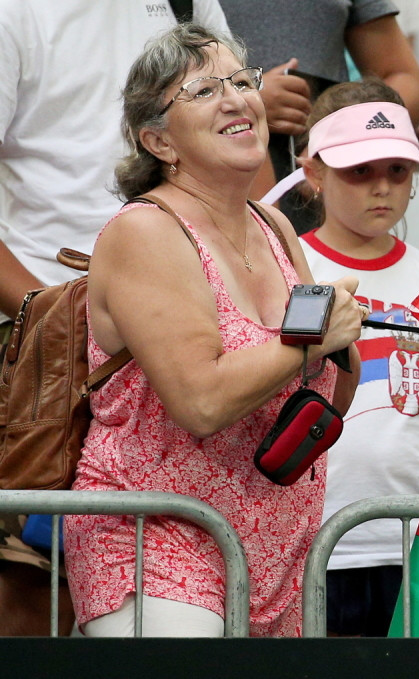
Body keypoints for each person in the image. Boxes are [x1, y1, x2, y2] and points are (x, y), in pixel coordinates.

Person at [62, 24, 366, 638]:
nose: (236, 99)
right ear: (158, 141)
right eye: (203, 91)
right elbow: (201, 401)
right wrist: (312, 340)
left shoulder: (276, 226)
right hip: (157, 535)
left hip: (280, 542)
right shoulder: (144, 230)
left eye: (240, 81)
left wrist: (341, 345)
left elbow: (323, 386)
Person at [0, 0, 230, 637]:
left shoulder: (192, 1)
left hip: (183, 320)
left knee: (191, 561)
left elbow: (235, 133)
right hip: (45, 334)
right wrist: (49, 317)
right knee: (29, 583)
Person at [297, 78, 419, 636]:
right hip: (313, 541)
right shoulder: (289, 269)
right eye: (360, 170)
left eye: (397, 171)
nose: (381, 187)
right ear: (314, 173)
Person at [217, 0, 419, 210]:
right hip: (215, 178)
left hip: (330, 191)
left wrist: (341, 139)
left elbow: (404, 80)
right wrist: (246, 101)